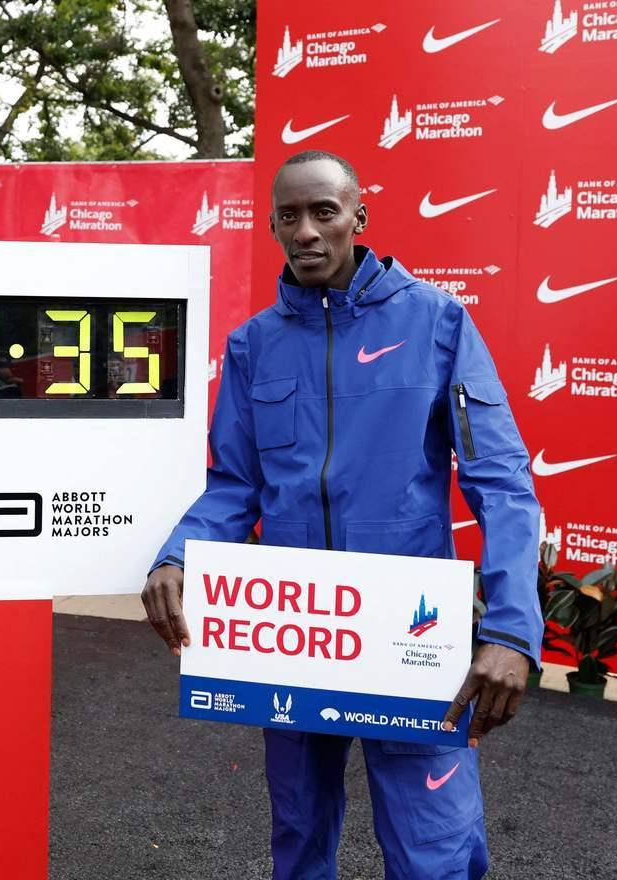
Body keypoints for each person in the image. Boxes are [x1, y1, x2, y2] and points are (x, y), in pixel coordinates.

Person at [141, 150, 542, 880]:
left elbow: (502, 483)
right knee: (297, 844)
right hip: (294, 632)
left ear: (360, 216)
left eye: (325, 211)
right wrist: (178, 556)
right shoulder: (253, 346)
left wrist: (514, 628)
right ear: (270, 226)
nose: (307, 231)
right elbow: (234, 485)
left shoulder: (438, 323)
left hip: (409, 634)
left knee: (434, 856)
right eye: (289, 217)